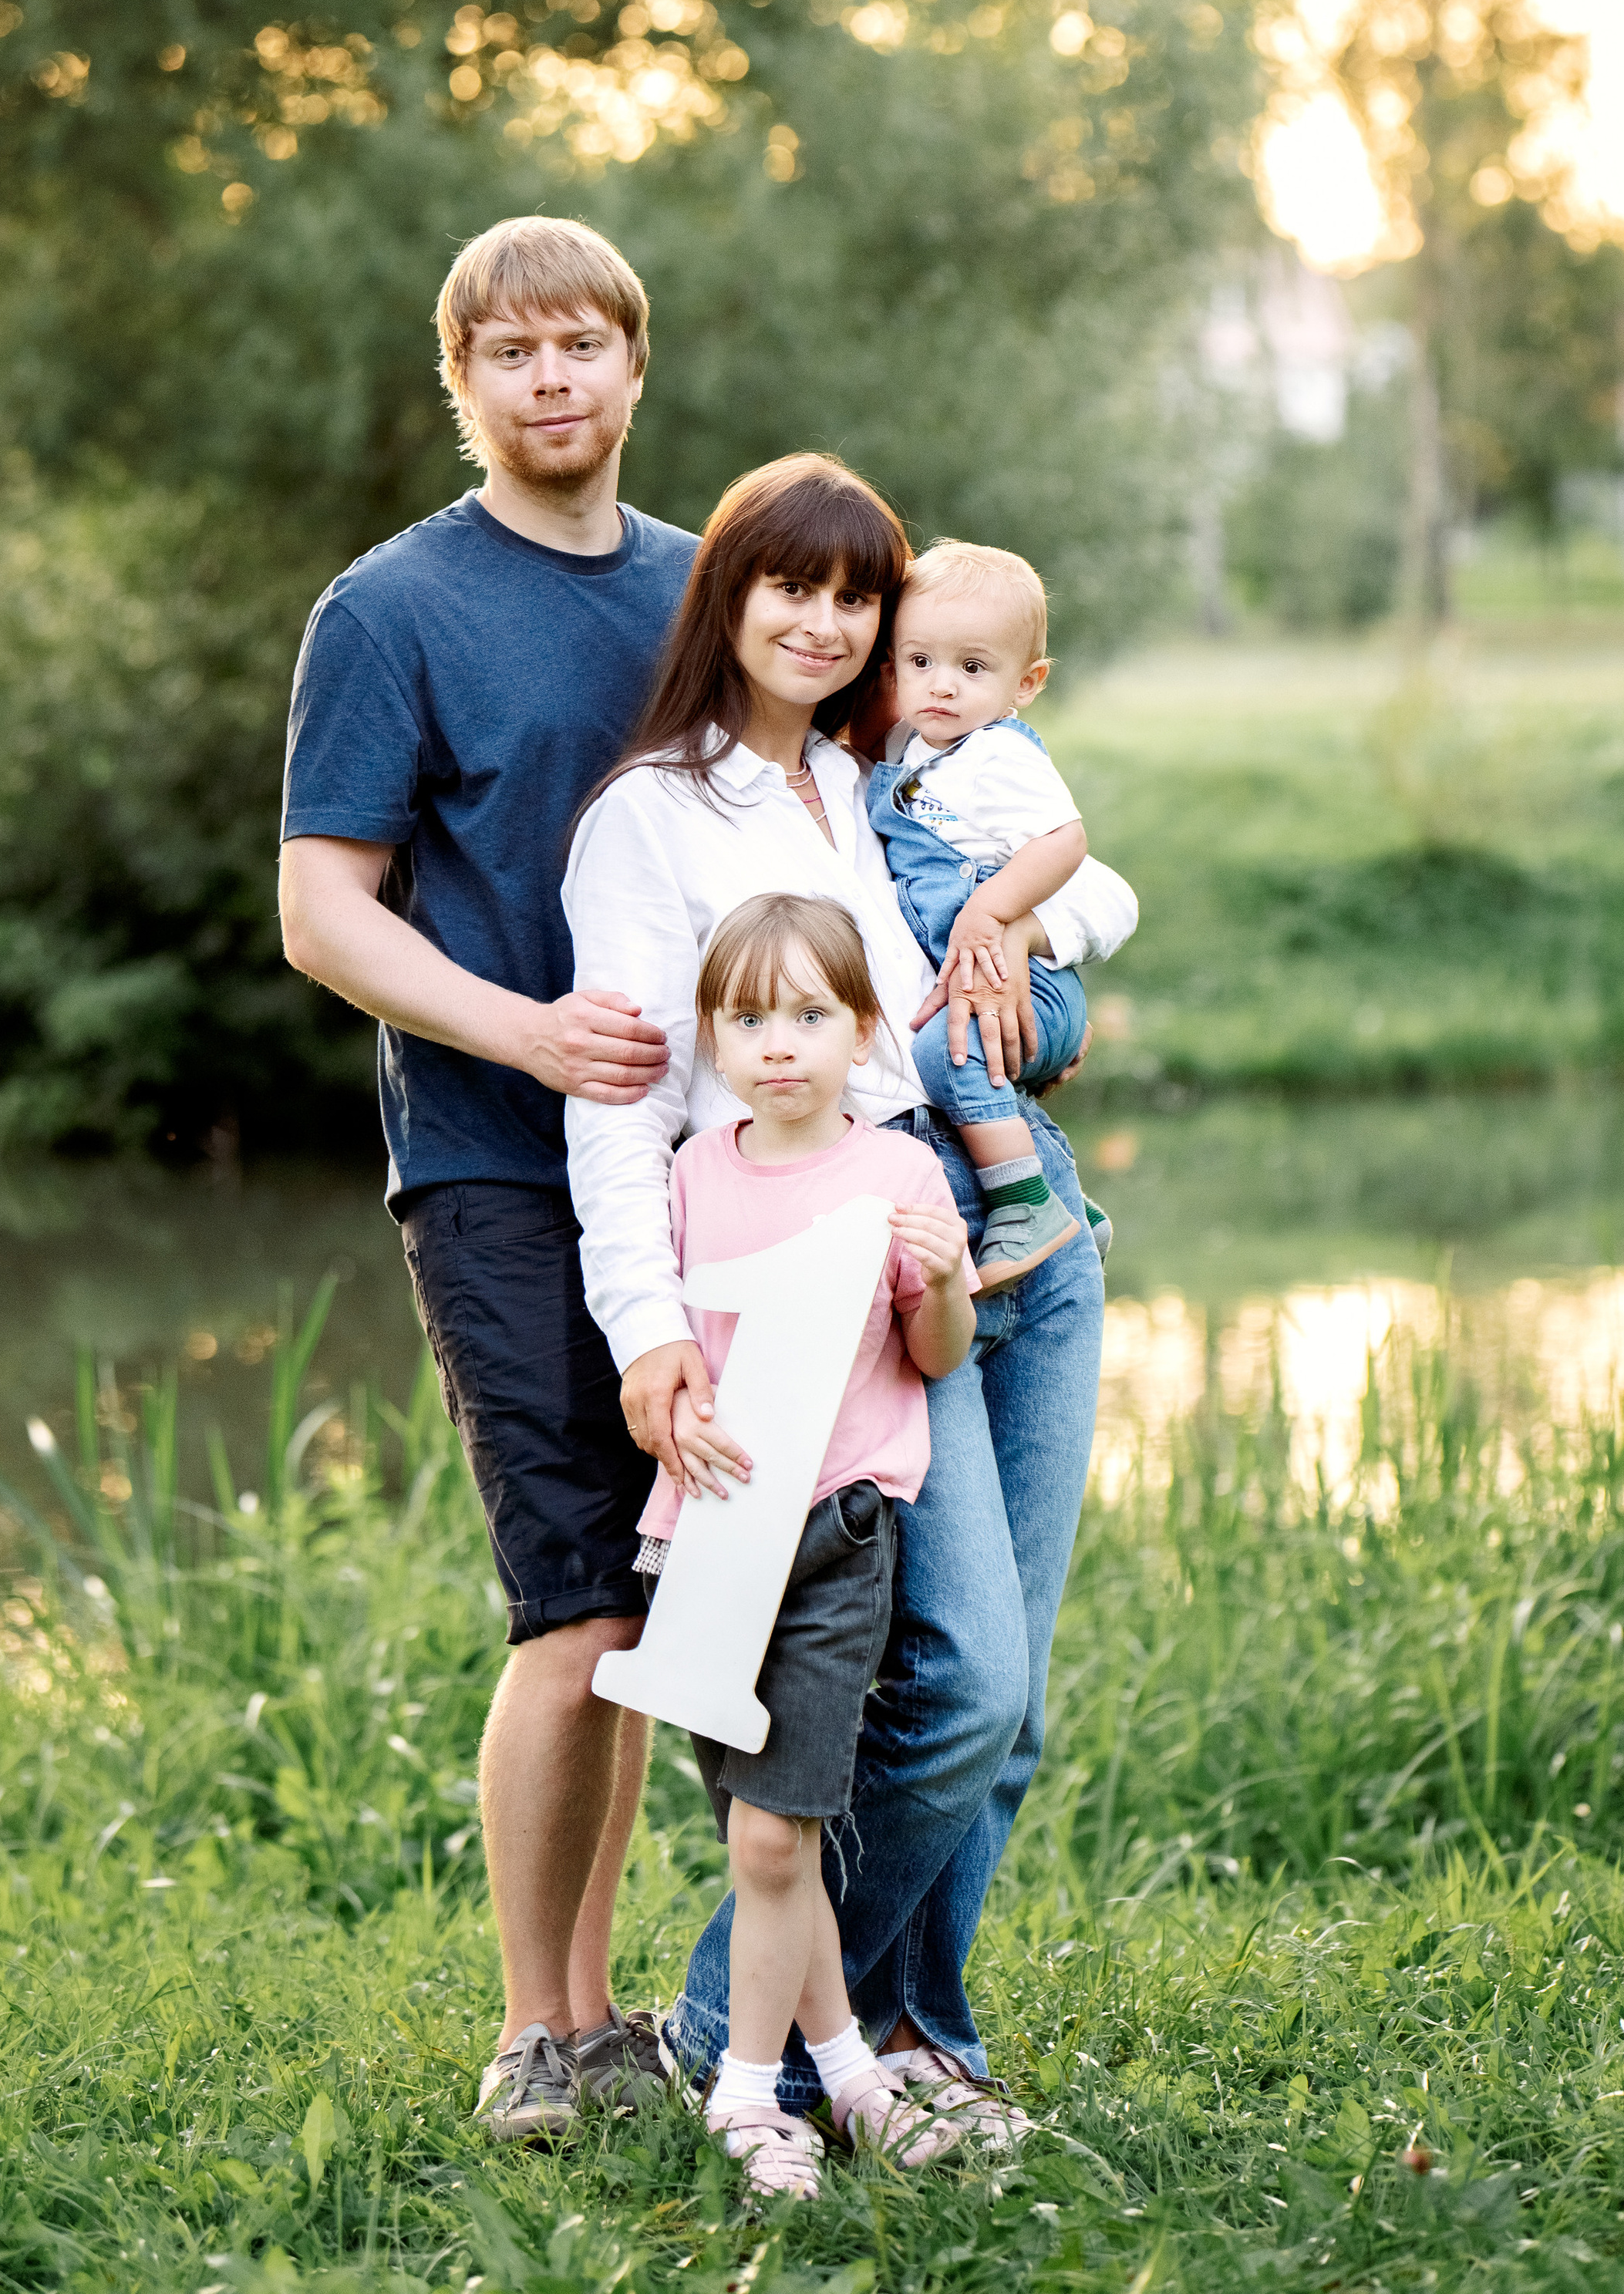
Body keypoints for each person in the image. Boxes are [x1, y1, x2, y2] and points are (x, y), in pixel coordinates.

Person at [562, 451, 1137, 2131]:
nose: (822, 625)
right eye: (788, 589)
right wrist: (651, 1331)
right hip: (845, 1259)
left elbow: (1086, 884)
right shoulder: (650, 817)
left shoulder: (880, 774)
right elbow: (623, 1112)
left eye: (853, 597)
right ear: (726, 600)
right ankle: (719, 2025)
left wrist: (1027, 949)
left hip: (1008, 1221)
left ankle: (914, 2042)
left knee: (1004, 1703)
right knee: (955, 1686)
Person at [278, 214, 696, 2143]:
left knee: (652, 1594)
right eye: (508, 351)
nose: (548, 380)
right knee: (572, 1599)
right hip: (494, 1160)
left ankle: (611, 2002)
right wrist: (521, 1031)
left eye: (579, 345)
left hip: (703, 1169)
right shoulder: (390, 609)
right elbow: (319, 910)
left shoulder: (707, 591)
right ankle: (541, 2028)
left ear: (632, 365)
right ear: (461, 382)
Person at [642, 893, 977, 2200]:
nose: (779, 1042)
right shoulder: (691, 1168)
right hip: (709, 1541)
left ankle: (741, 2090)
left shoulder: (894, 1170)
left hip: (839, 1530)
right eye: (747, 1015)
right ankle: (846, 2074)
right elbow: (669, 1345)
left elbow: (933, 1354)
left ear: (861, 1027)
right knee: (761, 1837)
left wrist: (944, 1274)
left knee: (778, 1840)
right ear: (713, 1034)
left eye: (810, 1013)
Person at [868, 538, 1112, 1292]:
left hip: (1029, 981)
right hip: (988, 987)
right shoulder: (911, 752)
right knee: (950, 1050)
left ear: (1025, 682)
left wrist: (993, 913)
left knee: (945, 1055)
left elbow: (1065, 842)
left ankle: (1025, 1204)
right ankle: (1073, 1205)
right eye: (920, 663)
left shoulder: (997, 758)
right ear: (893, 665)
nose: (941, 686)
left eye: (972, 668)